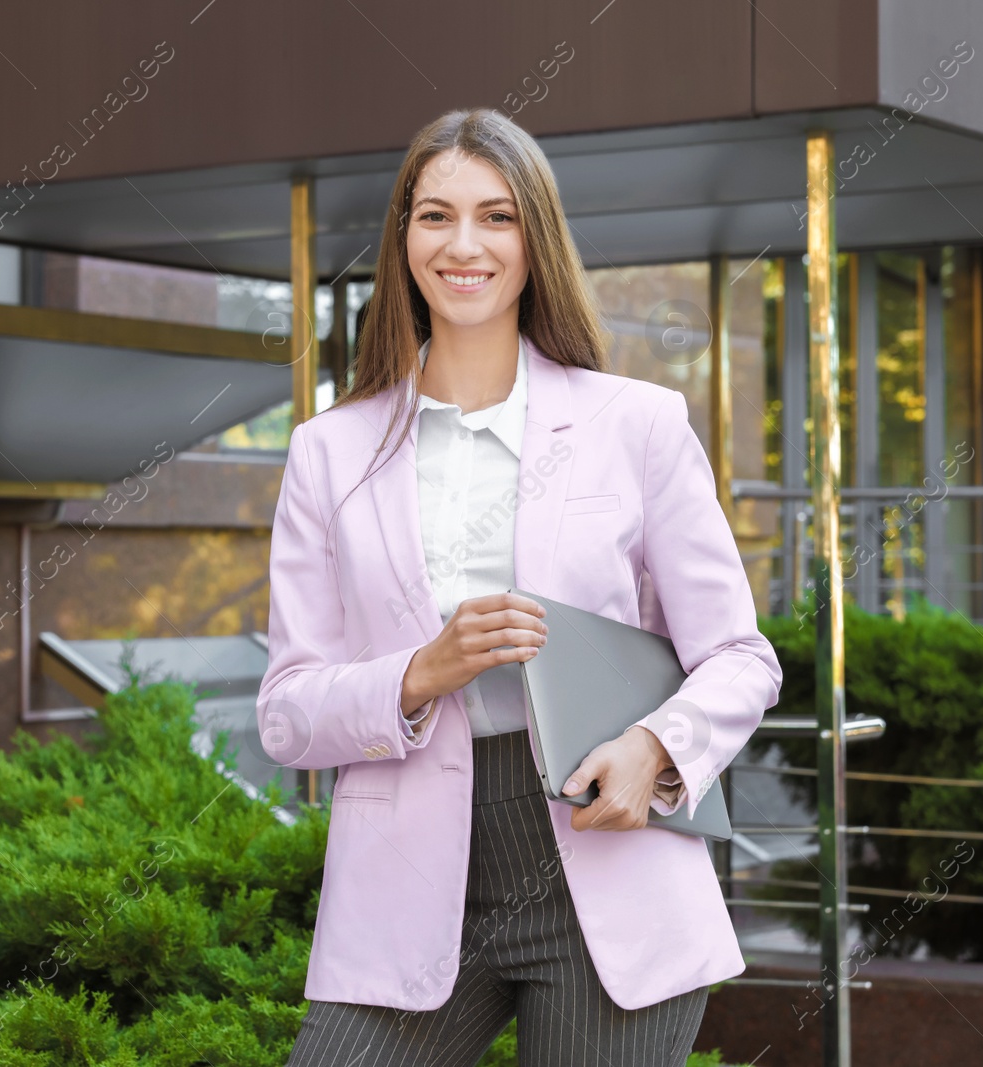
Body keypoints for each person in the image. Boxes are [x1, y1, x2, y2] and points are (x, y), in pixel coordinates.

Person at [258, 107, 783, 1067]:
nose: (465, 245)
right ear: (403, 238)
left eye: (497, 217)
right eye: (436, 216)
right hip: (411, 879)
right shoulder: (326, 453)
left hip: (605, 849)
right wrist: (420, 672)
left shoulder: (639, 425)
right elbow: (287, 713)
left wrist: (655, 748)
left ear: (534, 239)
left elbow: (740, 657)